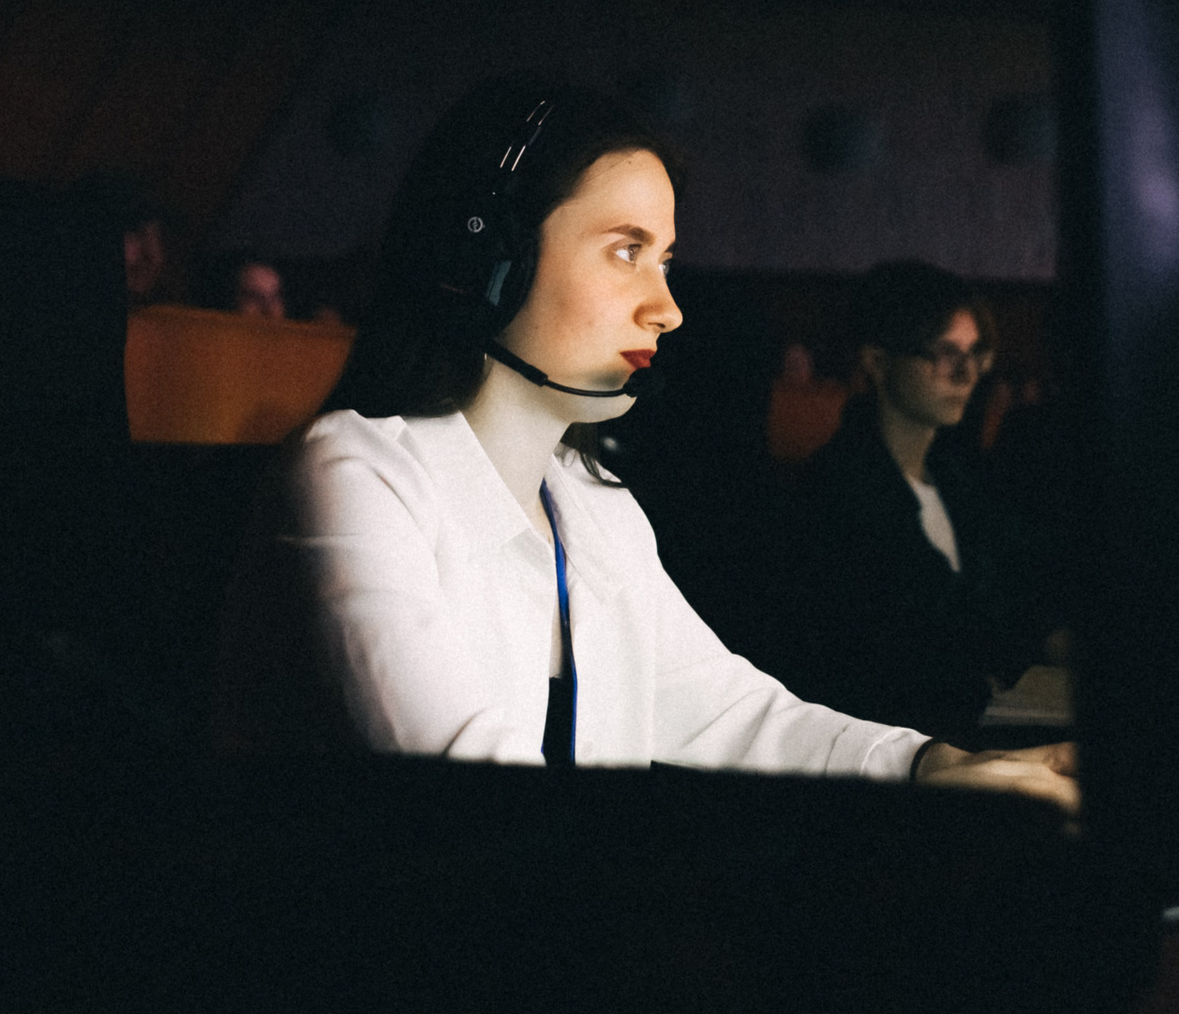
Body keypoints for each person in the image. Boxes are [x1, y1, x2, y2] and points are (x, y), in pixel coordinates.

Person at [217, 78, 1075, 811]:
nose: (666, 309)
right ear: (488, 263)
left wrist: (933, 765)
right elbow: (471, 796)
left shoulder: (592, 502)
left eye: (663, 260)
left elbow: (729, 712)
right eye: (626, 251)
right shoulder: (356, 473)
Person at [775, 261, 1049, 742]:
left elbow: (1013, 602)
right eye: (944, 354)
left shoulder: (960, 483)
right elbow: (894, 654)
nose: (966, 374)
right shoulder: (839, 490)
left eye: (976, 354)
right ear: (878, 363)